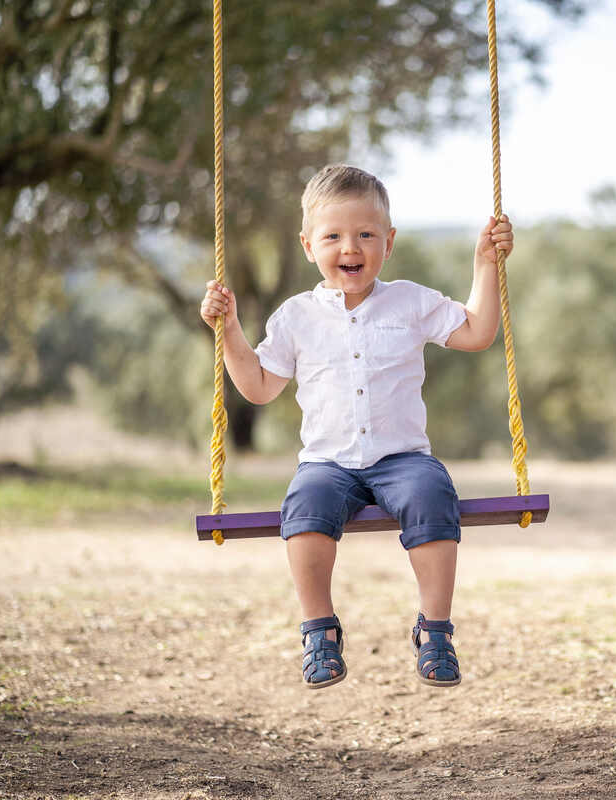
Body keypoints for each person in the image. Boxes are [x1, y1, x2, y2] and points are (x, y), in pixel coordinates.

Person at [199, 164, 513, 690]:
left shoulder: (410, 302)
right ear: (307, 245)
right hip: (328, 462)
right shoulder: (295, 317)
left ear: (388, 242)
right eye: (334, 236)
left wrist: (485, 263)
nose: (352, 246)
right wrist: (228, 329)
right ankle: (319, 629)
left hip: (403, 458)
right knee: (306, 506)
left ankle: (435, 628)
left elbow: (478, 332)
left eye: (366, 234)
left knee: (432, 494)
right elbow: (257, 385)